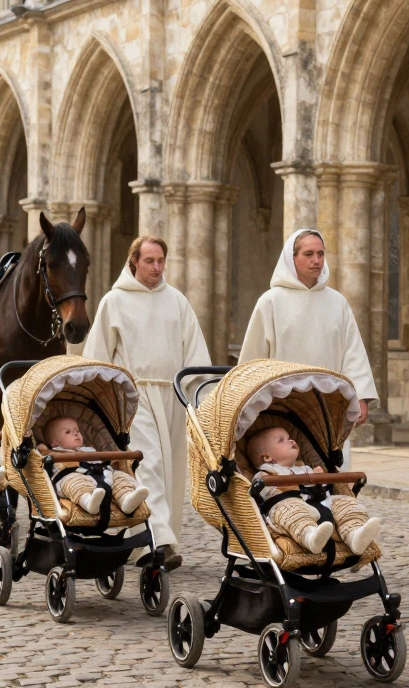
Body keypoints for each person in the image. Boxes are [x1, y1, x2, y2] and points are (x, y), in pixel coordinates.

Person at [83, 236, 211, 570]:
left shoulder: (177, 301)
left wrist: (201, 400)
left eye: (161, 261)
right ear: (134, 262)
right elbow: (96, 357)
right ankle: (159, 542)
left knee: (170, 473)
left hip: (172, 395)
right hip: (132, 396)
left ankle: (145, 542)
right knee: (149, 464)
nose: (156, 267)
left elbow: (195, 350)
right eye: (150, 260)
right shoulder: (114, 301)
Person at [239, 229, 377, 468]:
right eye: (309, 254)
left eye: (320, 254)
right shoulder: (271, 302)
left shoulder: (337, 302)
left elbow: (352, 351)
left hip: (329, 406)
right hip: (283, 406)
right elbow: (253, 359)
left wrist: (361, 396)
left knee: (332, 470)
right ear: (292, 258)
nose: (316, 260)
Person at [244, 425, 382, 554]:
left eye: (289, 437)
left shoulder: (305, 468)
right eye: (282, 440)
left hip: (319, 504)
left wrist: (320, 479)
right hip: (288, 509)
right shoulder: (266, 474)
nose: (291, 441)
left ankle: (354, 534)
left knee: (345, 503)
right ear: (267, 457)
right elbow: (268, 493)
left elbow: (324, 490)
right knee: (291, 509)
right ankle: (310, 538)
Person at [39, 415, 149, 514]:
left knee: (120, 476)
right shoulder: (55, 453)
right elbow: (42, 454)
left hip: (101, 475)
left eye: (77, 430)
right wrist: (43, 451)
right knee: (74, 483)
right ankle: (88, 501)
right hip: (72, 476)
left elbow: (107, 461)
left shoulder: (89, 449)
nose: (76, 433)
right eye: (68, 432)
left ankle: (126, 499)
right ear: (55, 443)